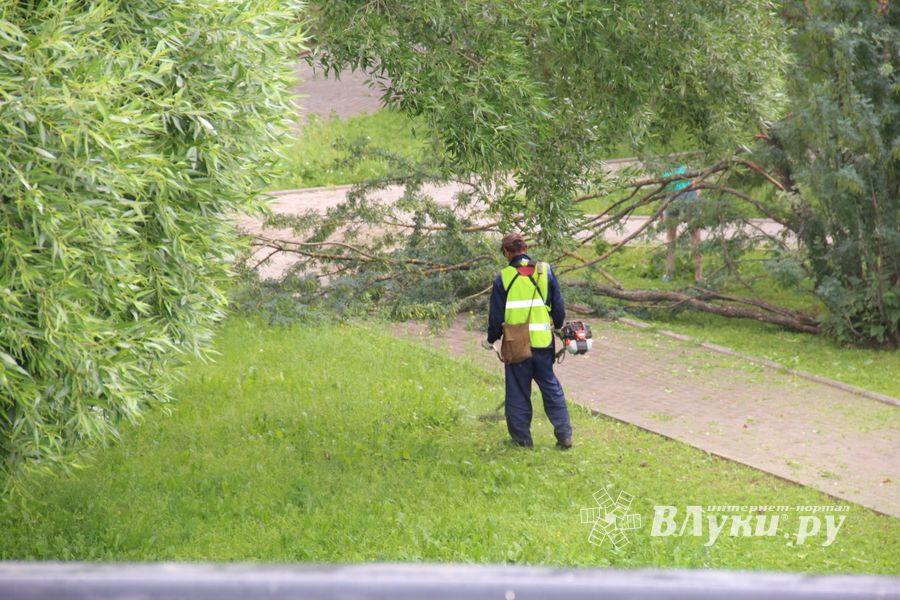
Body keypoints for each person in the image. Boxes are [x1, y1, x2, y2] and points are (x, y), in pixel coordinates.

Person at [486, 233, 573, 450]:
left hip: (517, 344)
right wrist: (559, 327)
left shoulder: (504, 277)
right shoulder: (545, 271)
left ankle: (522, 441)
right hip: (543, 343)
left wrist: (491, 339)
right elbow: (558, 306)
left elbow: (496, 316)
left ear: (506, 252)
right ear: (525, 247)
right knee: (551, 387)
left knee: (517, 391)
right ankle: (564, 435)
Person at [661, 165, 703, 283]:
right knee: (695, 237)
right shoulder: (689, 166)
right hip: (687, 198)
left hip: (673, 198)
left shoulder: (666, 168)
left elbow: (662, 191)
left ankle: (669, 274)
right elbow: (698, 186)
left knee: (671, 238)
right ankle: (698, 277)